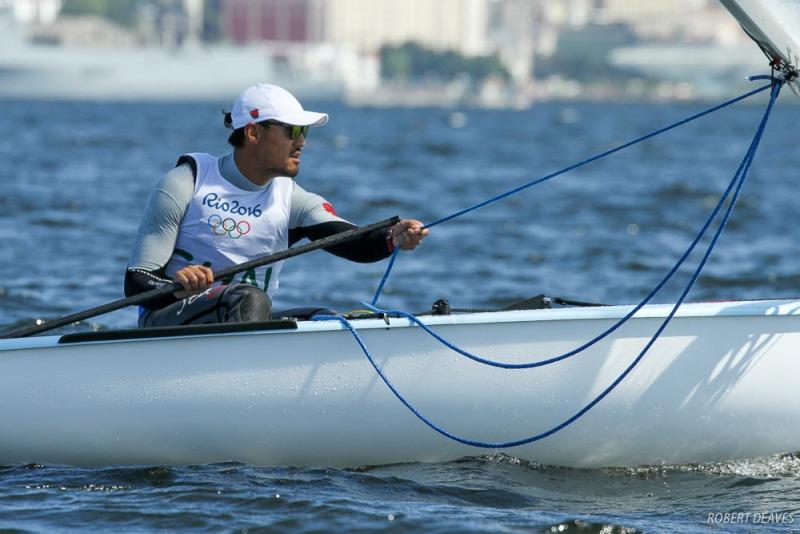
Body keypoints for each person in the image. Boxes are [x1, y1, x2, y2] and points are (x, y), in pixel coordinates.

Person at [125, 83, 427, 327]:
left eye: (304, 132)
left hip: (243, 316)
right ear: (253, 132)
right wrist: (177, 284)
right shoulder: (185, 182)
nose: (302, 142)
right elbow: (137, 282)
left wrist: (393, 237)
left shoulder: (291, 199)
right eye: (293, 131)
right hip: (168, 323)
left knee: (326, 321)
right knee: (249, 299)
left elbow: (354, 241)